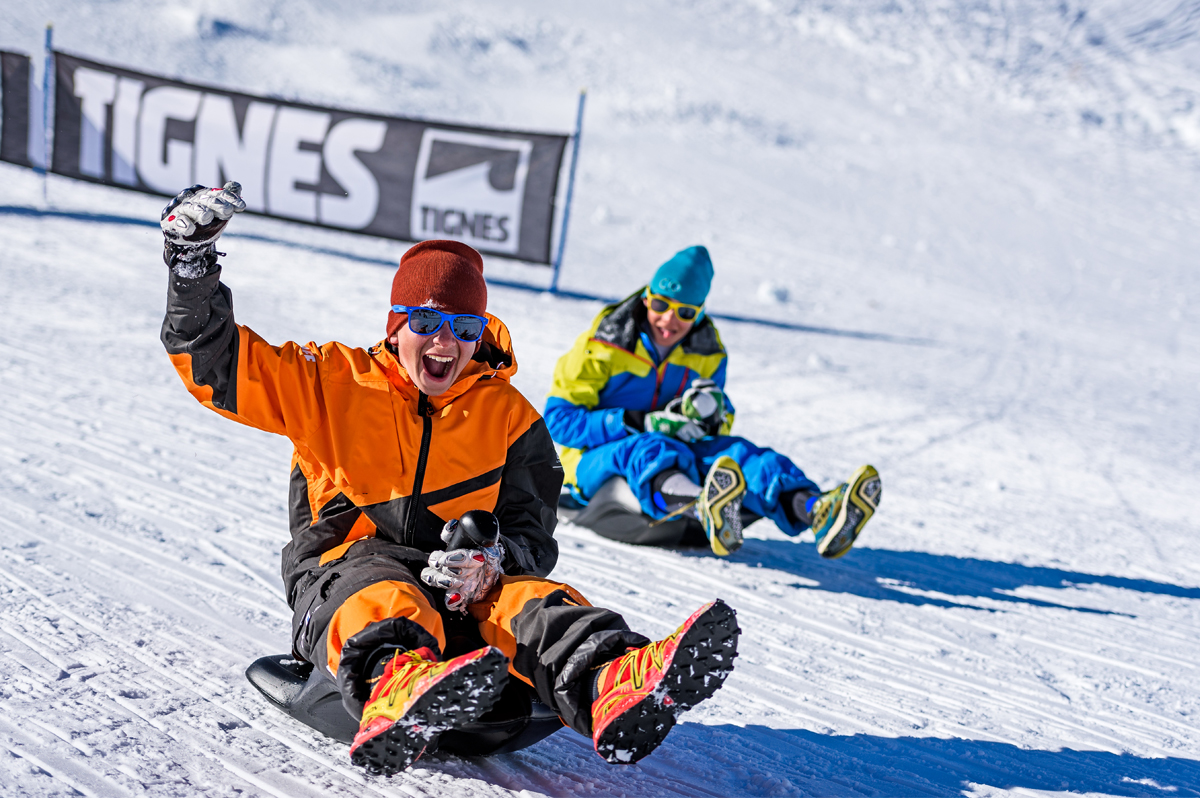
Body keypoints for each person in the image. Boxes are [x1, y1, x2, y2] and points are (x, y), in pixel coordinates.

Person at [158, 184, 740, 775]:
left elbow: (532, 534)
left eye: (465, 326)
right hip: (344, 575)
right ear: (395, 323)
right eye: (428, 319)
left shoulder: (508, 416)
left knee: (527, 598)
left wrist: (494, 557)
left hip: (461, 592)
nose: (446, 342)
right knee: (379, 589)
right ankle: (396, 684)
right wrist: (191, 268)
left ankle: (614, 675)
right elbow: (215, 362)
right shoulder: (331, 383)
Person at [545, 245, 882, 557]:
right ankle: (700, 503)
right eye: (660, 304)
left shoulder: (706, 352)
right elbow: (558, 420)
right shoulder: (603, 345)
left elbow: (716, 416)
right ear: (646, 298)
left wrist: (709, 416)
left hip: (674, 451)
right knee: (649, 446)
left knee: (739, 453)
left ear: (699, 313)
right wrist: (635, 421)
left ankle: (815, 510)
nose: (668, 320)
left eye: (685, 312)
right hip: (594, 461)